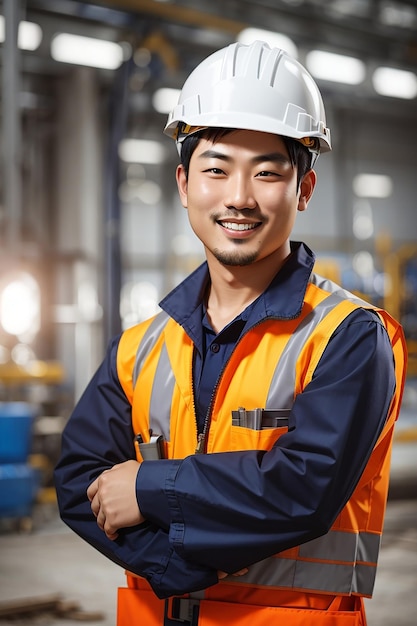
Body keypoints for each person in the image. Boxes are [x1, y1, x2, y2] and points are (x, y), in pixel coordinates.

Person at [55, 40, 407, 626]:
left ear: (305, 189)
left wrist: (147, 487)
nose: (239, 197)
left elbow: (303, 490)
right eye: (216, 168)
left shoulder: (348, 338)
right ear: (184, 182)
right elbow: (77, 481)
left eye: (267, 172)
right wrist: (175, 567)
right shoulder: (140, 346)